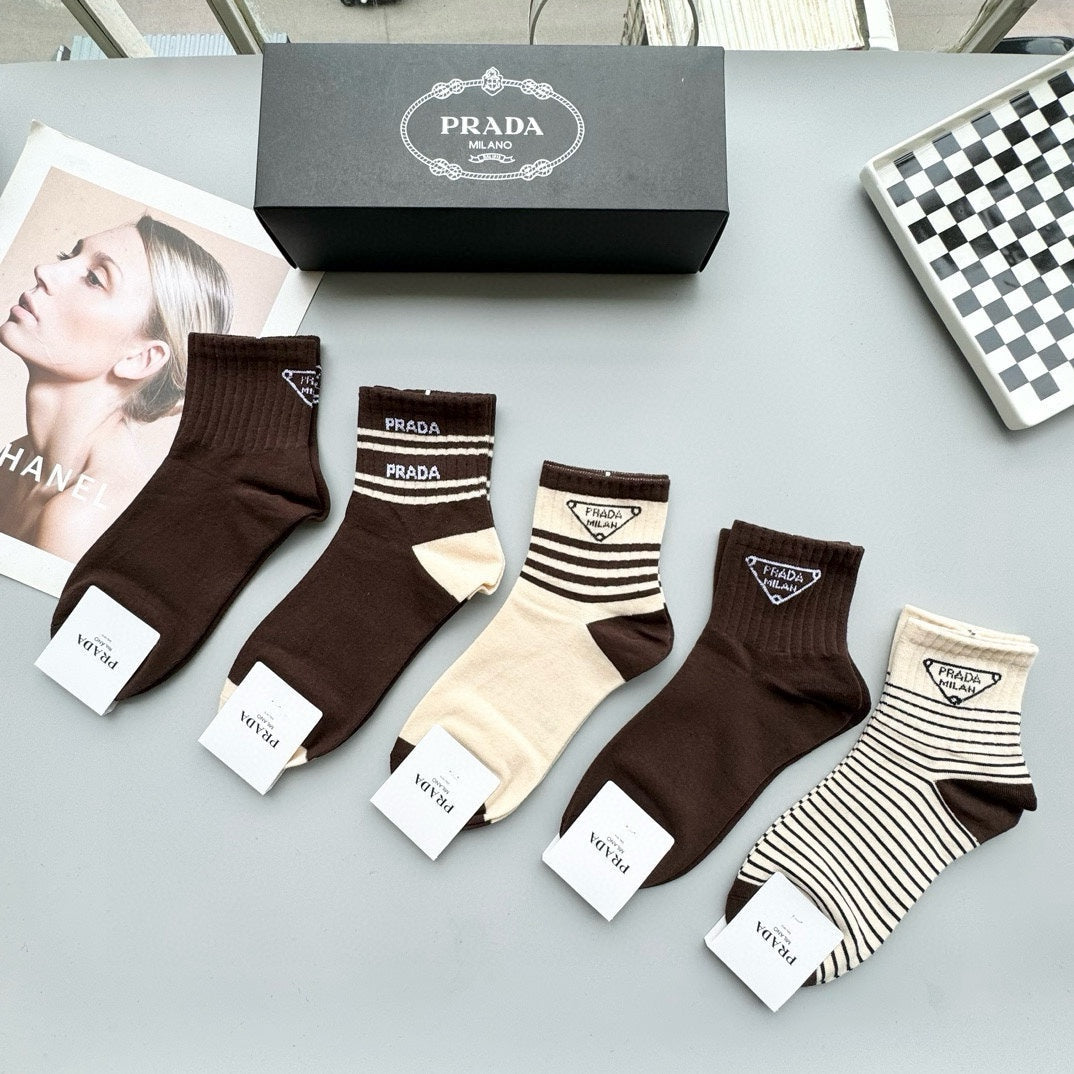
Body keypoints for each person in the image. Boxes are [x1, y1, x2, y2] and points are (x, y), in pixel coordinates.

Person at [0, 214, 234, 562]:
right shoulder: (16, 461)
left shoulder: (79, 521)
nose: (44, 271)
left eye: (94, 278)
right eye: (68, 256)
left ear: (140, 358)